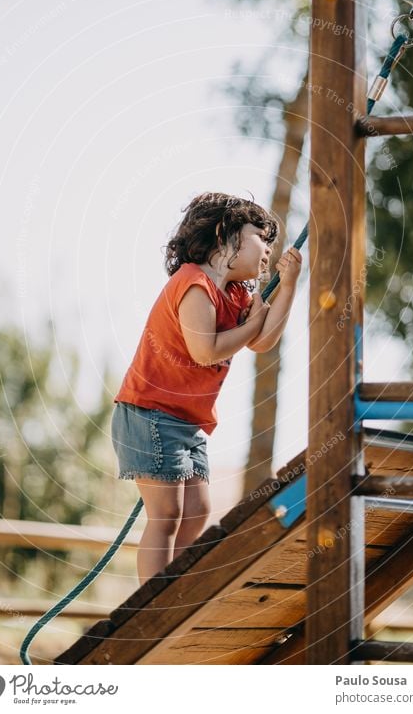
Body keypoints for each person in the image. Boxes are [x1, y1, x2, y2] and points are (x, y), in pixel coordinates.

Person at [111, 192, 302, 584]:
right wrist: (252, 324)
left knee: (196, 511)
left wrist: (288, 287)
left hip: (186, 422)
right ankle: (150, 606)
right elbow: (205, 351)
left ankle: (169, 591)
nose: (268, 250)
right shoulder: (193, 284)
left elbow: (263, 341)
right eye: (260, 237)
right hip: (151, 413)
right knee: (166, 514)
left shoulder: (235, 295)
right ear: (225, 234)